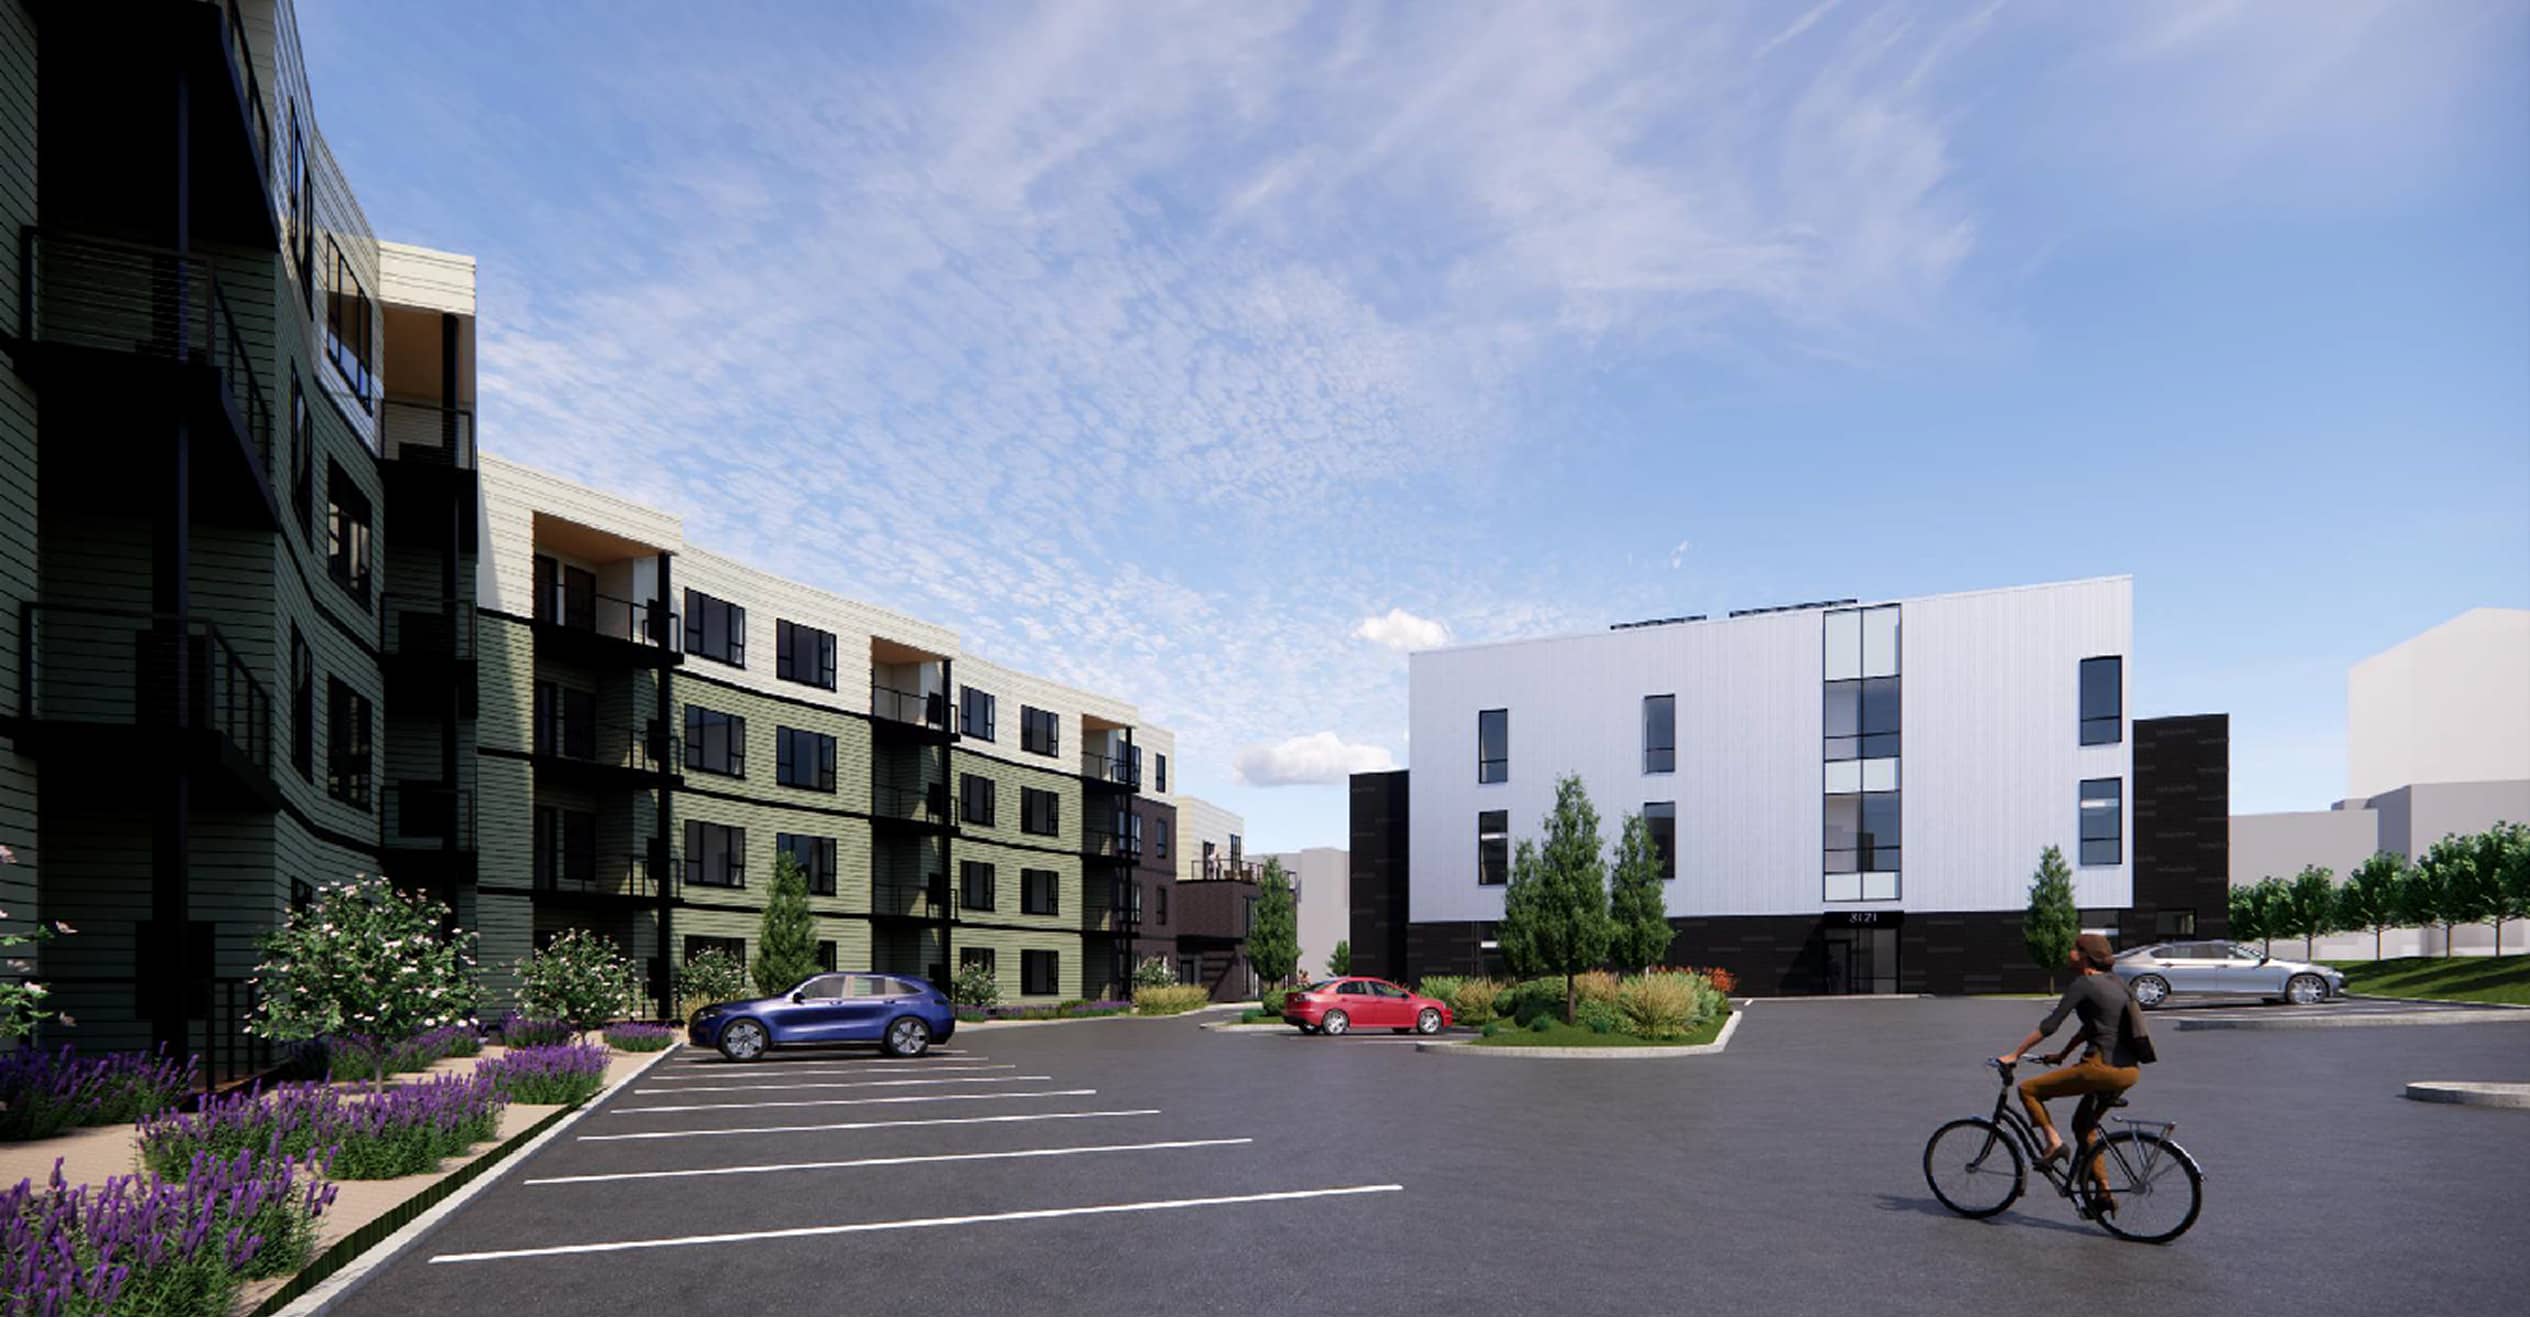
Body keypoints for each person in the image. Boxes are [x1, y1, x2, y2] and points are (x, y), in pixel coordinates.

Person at [1997, 932, 2142, 1217]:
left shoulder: (2084, 984)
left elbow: (2051, 1024)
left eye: (2074, 949)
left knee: (2027, 1090)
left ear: (2085, 956)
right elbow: (2092, 1027)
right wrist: (2062, 1055)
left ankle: (2053, 1143)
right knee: (2084, 1127)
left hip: (2101, 1068)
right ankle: (2103, 1192)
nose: (2069, 953)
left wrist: (2014, 1054)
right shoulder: (2117, 984)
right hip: (2127, 1071)